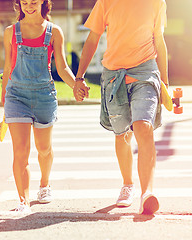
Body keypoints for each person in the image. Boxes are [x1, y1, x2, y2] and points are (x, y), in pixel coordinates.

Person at [74, 0, 168, 215]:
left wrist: (166, 83)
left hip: (145, 72)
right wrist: (79, 77)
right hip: (114, 75)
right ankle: (128, 185)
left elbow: (159, 40)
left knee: (143, 126)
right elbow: (92, 39)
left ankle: (147, 192)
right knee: (122, 134)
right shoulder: (106, 2)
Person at [2, 0, 86, 213]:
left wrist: (76, 85)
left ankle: (45, 184)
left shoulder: (54, 32)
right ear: (19, 4)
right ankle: (23, 201)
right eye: (25, 2)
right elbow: (8, 65)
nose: (29, 6)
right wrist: (4, 99)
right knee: (20, 151)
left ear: (43, 3)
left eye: (33, 2)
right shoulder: (11, 32)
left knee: (44, 149)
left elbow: (62, 66)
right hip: (17, 96)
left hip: (44, 96)